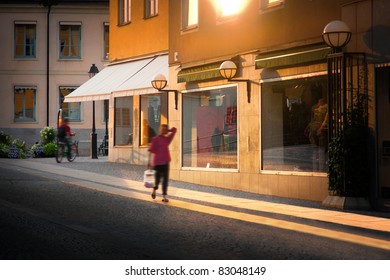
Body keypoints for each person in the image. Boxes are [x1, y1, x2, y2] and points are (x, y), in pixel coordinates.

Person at [148, 124, 177, 202]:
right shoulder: (155, 139)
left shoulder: (167, 139)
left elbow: (174, 130)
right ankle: (154, 190)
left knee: (165, 180)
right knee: (157, 180)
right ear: (159, 130)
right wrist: (149, 161)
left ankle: (164, 196)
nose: (163, 131)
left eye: (165, 129)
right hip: (157, 163)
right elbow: (150, 150)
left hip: (165, 162)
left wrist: (168, 130)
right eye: (162, 129)